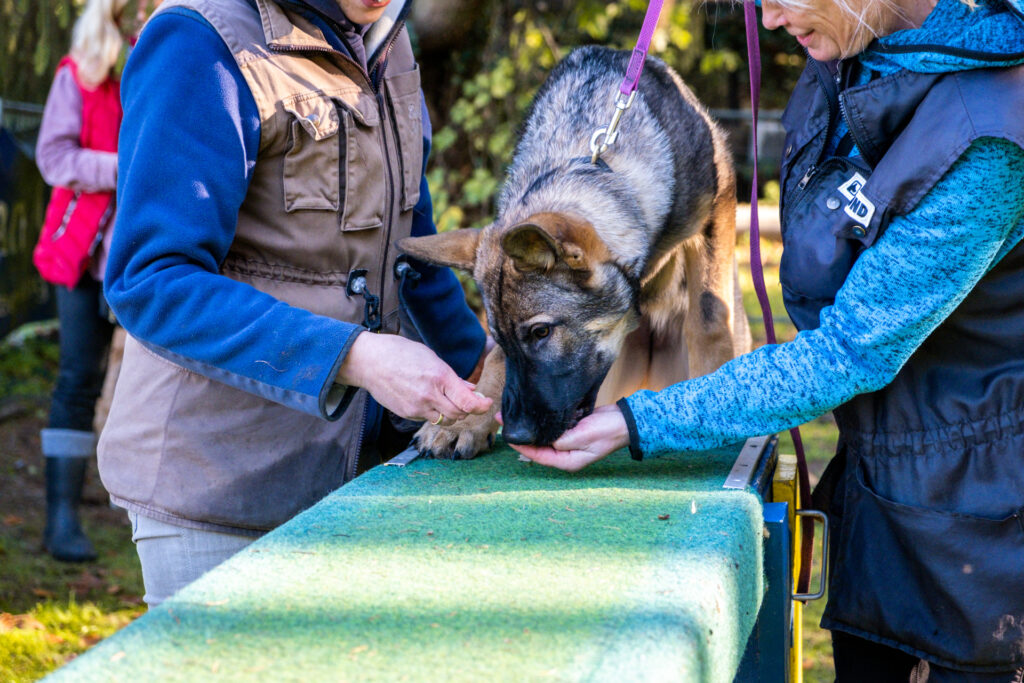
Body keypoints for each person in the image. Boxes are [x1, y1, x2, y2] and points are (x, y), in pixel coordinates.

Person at [509, 0, 1024, 679]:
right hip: (886, 504)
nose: (772, 19)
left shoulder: (988, 134)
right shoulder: (851, 57)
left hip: (981, 552)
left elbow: (848, 351)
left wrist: (638, 418)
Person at [97, 0, 491, 606]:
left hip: (356, 486)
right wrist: (354, 357)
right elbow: (152, 281)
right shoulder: (201, 42)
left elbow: (410, 253)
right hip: (216, 491)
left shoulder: (389, 41)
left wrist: (491, 376)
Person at [34, 0, 142, 563]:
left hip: (137, 253)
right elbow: (54, 158)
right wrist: (124, 166)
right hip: (80, 253)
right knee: (77, 378)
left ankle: (137, 501)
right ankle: (61, 518)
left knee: (138, 378)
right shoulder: (76, 75)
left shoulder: (154, 63)